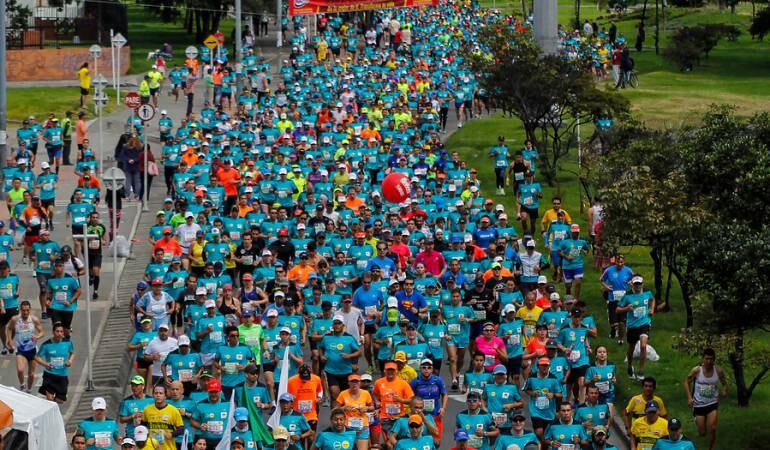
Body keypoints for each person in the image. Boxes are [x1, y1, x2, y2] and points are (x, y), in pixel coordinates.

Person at [684, 348, 727, 450]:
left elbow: (725, 384)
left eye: (711, 359)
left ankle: (710, 448)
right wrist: (689, 397)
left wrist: (724, 391)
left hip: (712, 403)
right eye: (707, 359)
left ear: (714, 360)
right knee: (702, 432)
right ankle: (697, 420)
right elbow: (686, 382)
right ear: (703, 359)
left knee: (712, 428)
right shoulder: (697, 370)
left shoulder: (718, 371)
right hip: (699, 404)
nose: (709, 361)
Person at [616, 275, 655, 380]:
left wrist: (652, 309)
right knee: (631, 348)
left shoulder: (647, 292)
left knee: (643, 346)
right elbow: (617, 309)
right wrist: (626, 308)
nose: (638, 286)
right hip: (632, 325)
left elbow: (652, 299)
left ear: (643, 284)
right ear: (632, 284)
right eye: (636, 284)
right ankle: (629, 366)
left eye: (639, 284)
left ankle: (641, 371)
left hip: (644, 323)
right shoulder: (627, 296)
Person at [5, 300, 45, 392]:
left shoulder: (34, 319)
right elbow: (9, 329)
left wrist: (37, 336)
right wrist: (10, 341)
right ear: (20, 310)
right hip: (20, 349)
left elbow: (42, 332)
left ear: (30, 309)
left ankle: (29, 390)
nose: (25, 312)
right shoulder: (15, 319)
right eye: (23, 310)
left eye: (27, 310)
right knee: (20, 369)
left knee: (31, 374)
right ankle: (22, 385)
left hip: (32, 349)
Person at [35, 321, 74, 403]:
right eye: (57, 331)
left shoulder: (68, 343)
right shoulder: (46, 345)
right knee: (49, 398)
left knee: (60, 401)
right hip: (50, 374)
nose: (59, 333)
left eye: (61, 331)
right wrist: (45, 364)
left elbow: (72, 353)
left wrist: (70, 361)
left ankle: (50, 399)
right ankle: (49, 404)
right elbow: (37, 357)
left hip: (62, 374)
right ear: (53, 332)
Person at [335, 373, 375, 450]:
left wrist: (366, 408)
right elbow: (335, 410)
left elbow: (372, 407)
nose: (354, 384)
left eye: (356, 382)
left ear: (359, 382)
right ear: (348, 383)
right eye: (352, 382)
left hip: (362, 426)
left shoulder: (365, 393)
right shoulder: (343, 394)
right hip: (347, 427)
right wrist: (344, 408)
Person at [142, 384, 184, 449]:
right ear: (153, 395)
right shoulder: (147, 409)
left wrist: (172, 434)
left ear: (165, 396)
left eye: (161, 393)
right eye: (156, 393)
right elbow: (142, 426)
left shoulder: (173, 410)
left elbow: (181, 429)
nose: (158, 395)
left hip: (168, 447)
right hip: (151, 447)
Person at [85, 211, 108, 299]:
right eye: (93, 217)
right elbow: (81, 239)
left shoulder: (101, 227)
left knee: (96, 271)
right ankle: (91, 277)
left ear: (98, 218)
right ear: (90, 218)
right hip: (88, 253)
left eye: (96, 217)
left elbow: (105, 239)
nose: (95, 219)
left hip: (97, 253)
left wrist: (103, 241)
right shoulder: (86, 227)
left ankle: (95, 291)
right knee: (91, 272)